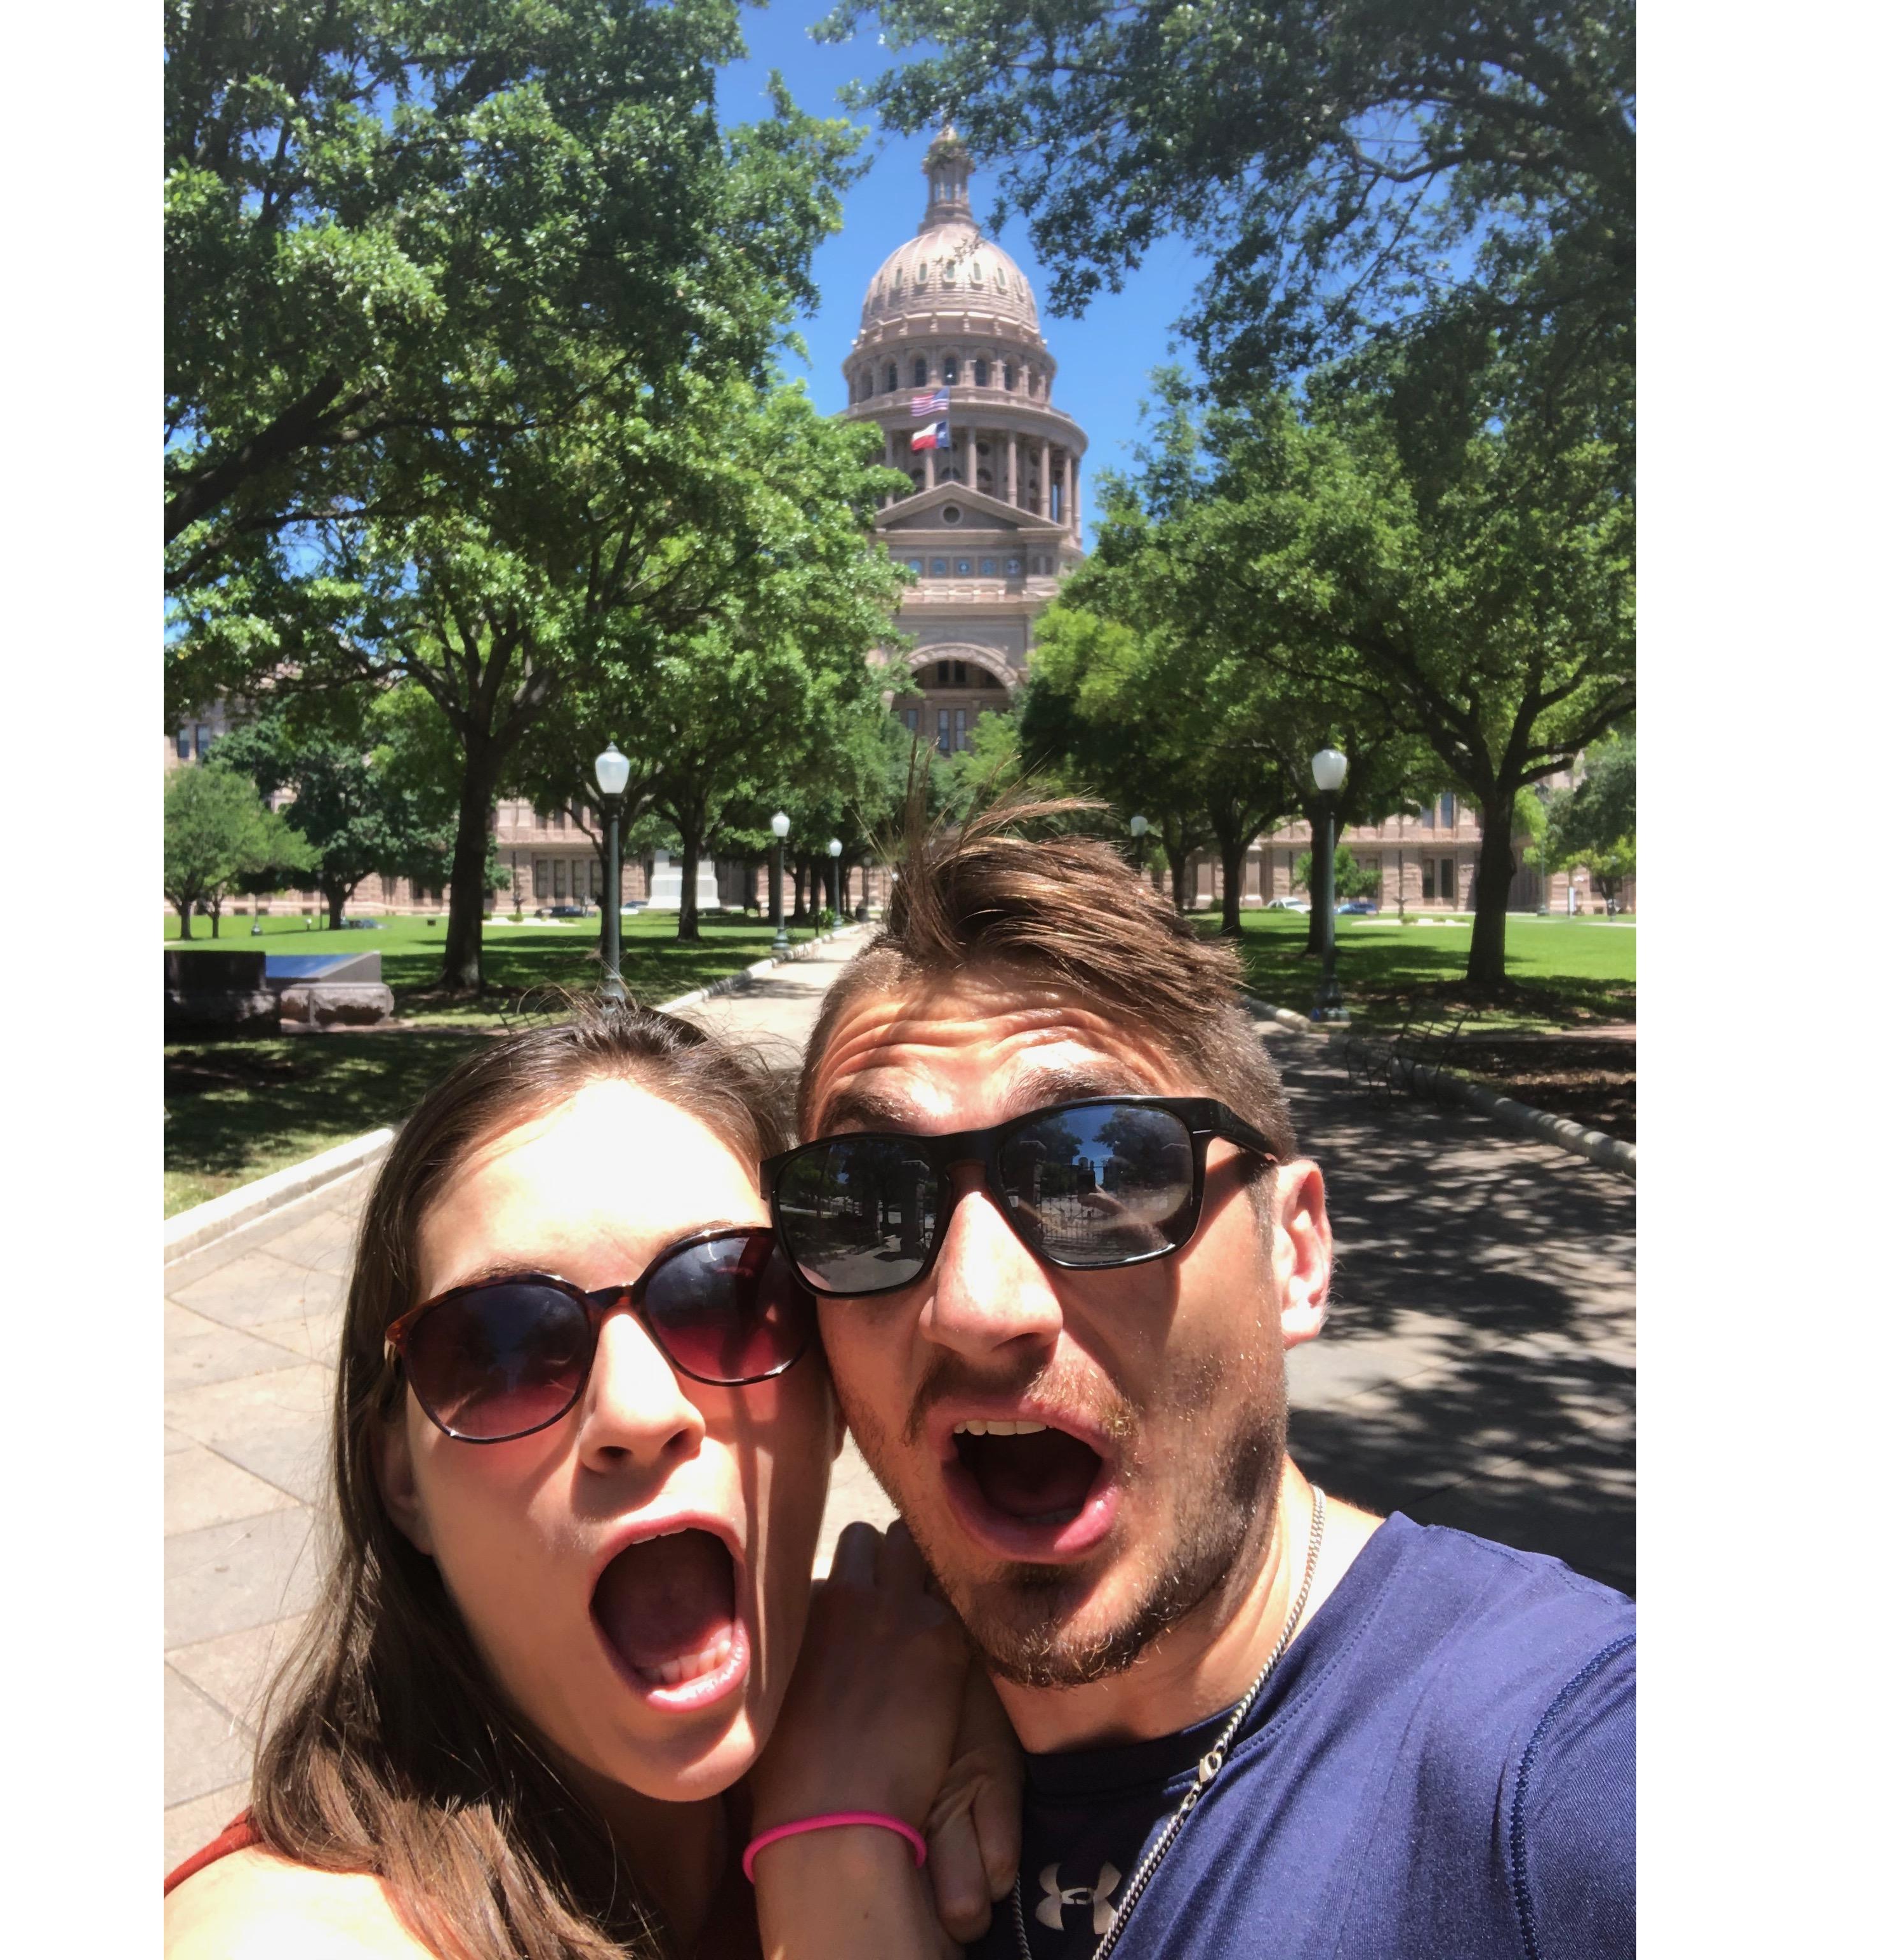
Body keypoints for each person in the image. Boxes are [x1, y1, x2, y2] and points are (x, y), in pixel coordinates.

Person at [765, 804, 1635, 1959]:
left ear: (1296, 1255)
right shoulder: (777, 1735)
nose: (977, 1309)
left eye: (1104, 1172)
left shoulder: (1563, 1775)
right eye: (870, 1207)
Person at [164, 1003, 1017, 1960]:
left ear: (828, 1405)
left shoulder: (901, 1686)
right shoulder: (297, 1933)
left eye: (728, 1298)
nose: (640, 1411)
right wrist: (830, 1856)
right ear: (401, 1482)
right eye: (504, 1345)